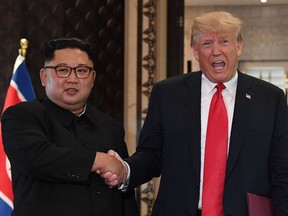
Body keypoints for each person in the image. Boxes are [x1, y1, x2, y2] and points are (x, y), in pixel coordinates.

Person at [103, 11, 288, 216]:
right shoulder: (167, 94)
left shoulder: (270, 98)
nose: (216, 51)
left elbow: (282, 170)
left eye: (224, 41)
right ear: (195, 51)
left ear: (239, 46)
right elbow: (152, 155)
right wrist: (125, 170)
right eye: (207, 43)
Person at [1, 37, 138, 216]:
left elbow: (125, 197)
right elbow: (37, 159)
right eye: (63, 70)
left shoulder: (111, 127)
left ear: (93, 78)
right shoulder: (21, 116)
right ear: (44, 76)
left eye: (82, 71)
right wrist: (99, 161)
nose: (72, 79)